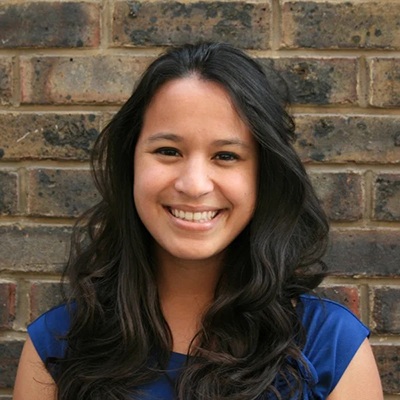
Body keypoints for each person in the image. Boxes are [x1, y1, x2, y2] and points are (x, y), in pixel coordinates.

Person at [13, 42, 383, 400]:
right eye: (168, 151)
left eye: (225, 155)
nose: (193, 185)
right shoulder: (59, 343)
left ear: (263, 176)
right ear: (131, 164)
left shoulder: (330, 347)